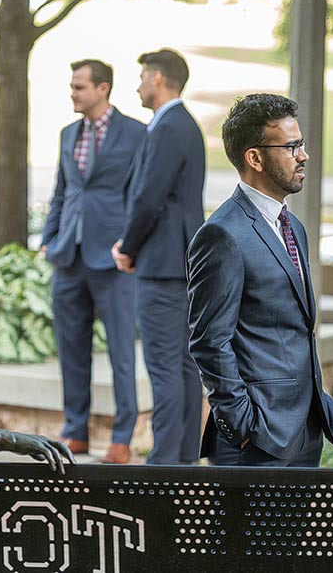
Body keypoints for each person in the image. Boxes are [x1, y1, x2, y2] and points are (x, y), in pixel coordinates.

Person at [188, 93, 333, 467]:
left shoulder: (293, 228)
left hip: (305, 428)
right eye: (291, 147)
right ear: (255, 158)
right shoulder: (222, 235)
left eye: (301, 144)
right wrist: (243, 425)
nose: (303, 155)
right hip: (257, 439)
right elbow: (210, 341)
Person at [42, 59, 147, 464]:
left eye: (79, 87)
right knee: (71, 349)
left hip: (114, 260)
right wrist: (50, 240)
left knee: (122, 351)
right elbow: (62, 191)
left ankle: (122, 438)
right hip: (68, 258)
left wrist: (132, 246)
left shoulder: (136, 133)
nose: (73, 93)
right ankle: (75, 431)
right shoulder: (68, 134)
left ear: (103, 89)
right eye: (71, 86)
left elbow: (142, 196)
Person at [112, 48, 206, 465]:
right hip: (179, 262)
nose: (136, 86)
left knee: (166, 367)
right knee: (184, 367)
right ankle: (183, 456)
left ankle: (165, 463)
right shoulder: (181, 125)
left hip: (162, 264)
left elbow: (149, 199)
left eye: (141, 77)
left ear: (157, 78)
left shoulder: (168, 128)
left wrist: (127, 248)